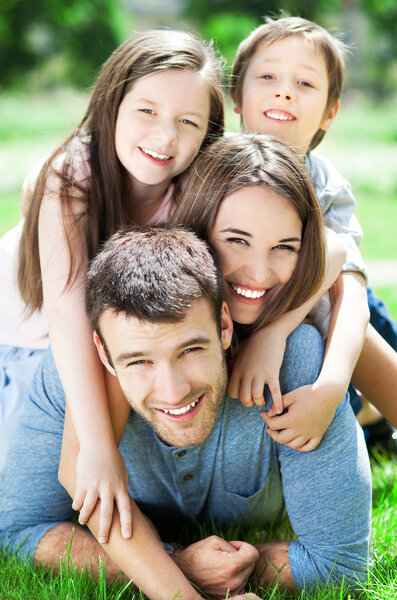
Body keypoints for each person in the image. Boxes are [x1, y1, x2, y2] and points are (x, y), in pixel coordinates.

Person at [0, 224, 371, 598]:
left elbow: (339, 565)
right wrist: (183, 567)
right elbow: (17, 530)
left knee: (366, 409)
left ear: (224, 325)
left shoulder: (295, 364)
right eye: (139, 361)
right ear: (103, 353)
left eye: (190, 350)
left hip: (335, 366)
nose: (174, 391)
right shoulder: (71, 380)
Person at [0, 28, 224, 539]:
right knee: (62, 483)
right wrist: (98, 448)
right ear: (112, 103)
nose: (164, 137)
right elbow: (66, 312)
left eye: (187, 122)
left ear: (208, 132)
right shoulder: (67, 176)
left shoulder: (197, 189)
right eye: (146, 110)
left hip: (117, 358)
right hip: (29, 357)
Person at [229, 14, 397, 447]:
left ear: (329, 112)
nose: (284, 90)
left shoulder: (323, 185)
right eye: (267, 76)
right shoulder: (211, 170)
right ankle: (367, 417)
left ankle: (368, 410)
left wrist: (326, 388)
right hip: (256, 298)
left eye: (305, 84)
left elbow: (351, 298)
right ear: (236, 95)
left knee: (348, 315)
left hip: (331, 304)